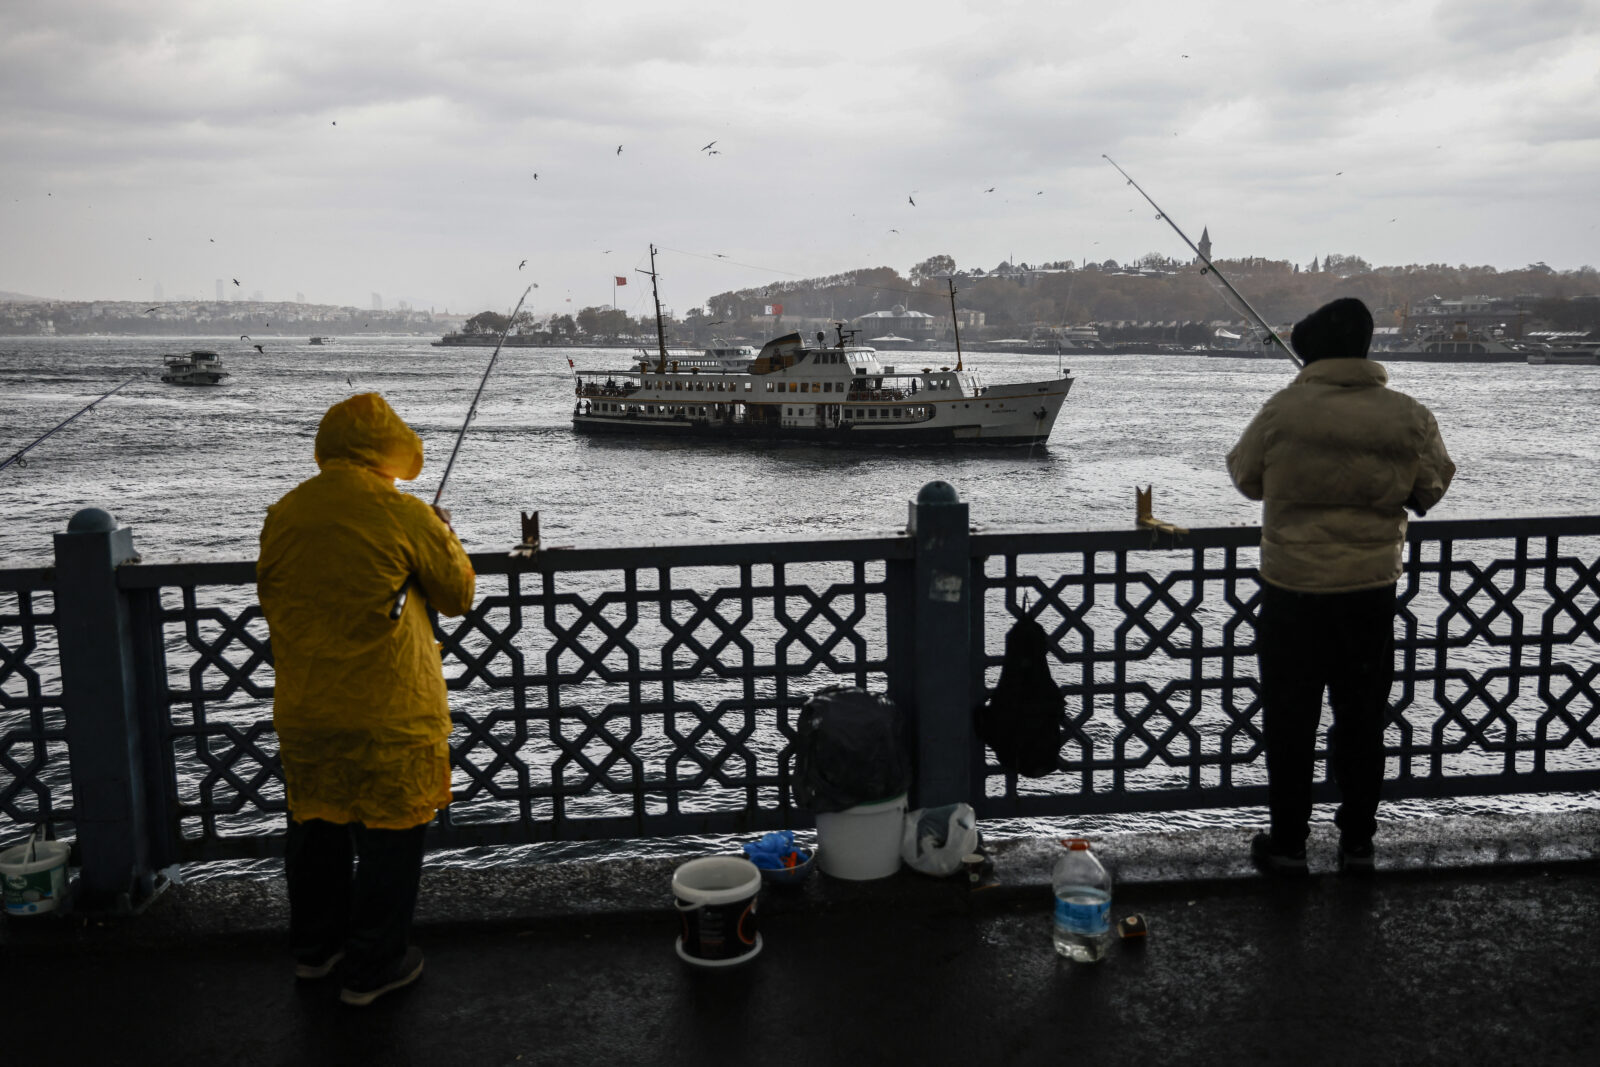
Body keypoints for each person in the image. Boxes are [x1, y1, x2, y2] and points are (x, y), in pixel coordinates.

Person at [258, 393, 475, 1004]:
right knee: (391, 834)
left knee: (316, 826)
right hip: (389, 707)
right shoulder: (403, 513)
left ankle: (315, 952)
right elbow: (457, 595)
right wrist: (445, 534)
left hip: (307, 704)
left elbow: (272, 591)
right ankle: (373, 967)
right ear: (391, 449)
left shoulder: (287, 511)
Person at [1226, 298, 1454, 877]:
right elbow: (1430, 488)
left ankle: (1288, 844)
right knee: (1360, 719)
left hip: (1291, 589)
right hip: (1368, 592)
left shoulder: (1283, 410)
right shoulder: (1409, 416)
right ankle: (1357, 843)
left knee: (1290, 719)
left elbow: (1246, 477)